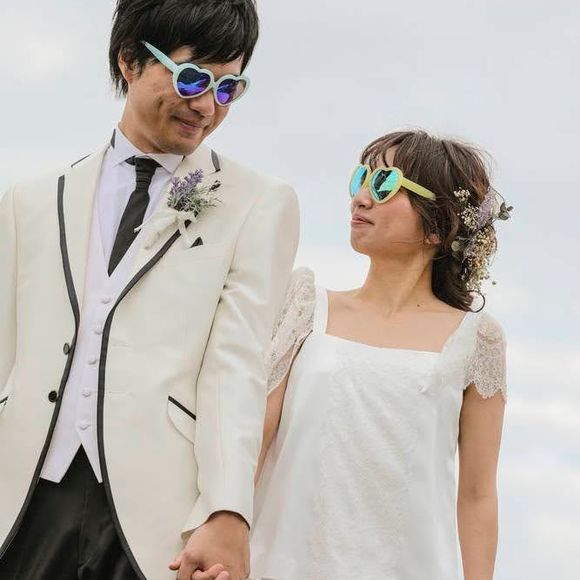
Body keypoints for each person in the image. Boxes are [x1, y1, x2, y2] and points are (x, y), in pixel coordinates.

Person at [0, 1, 300, 579]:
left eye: (228, 87)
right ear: (130, 60)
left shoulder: (256, 203)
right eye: (192, 78)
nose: (207, 106)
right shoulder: (29, 201)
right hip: (22, 500)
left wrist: (226, 509)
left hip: (155, 522)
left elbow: (235, 368)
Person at [250, 130, 511, 580]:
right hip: (278, 562)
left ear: (438, 224)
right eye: (361, 179)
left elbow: (477, 495)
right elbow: (254, 439)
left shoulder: (477, 339)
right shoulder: (305, 304)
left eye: (385, 184)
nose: (361, 198)